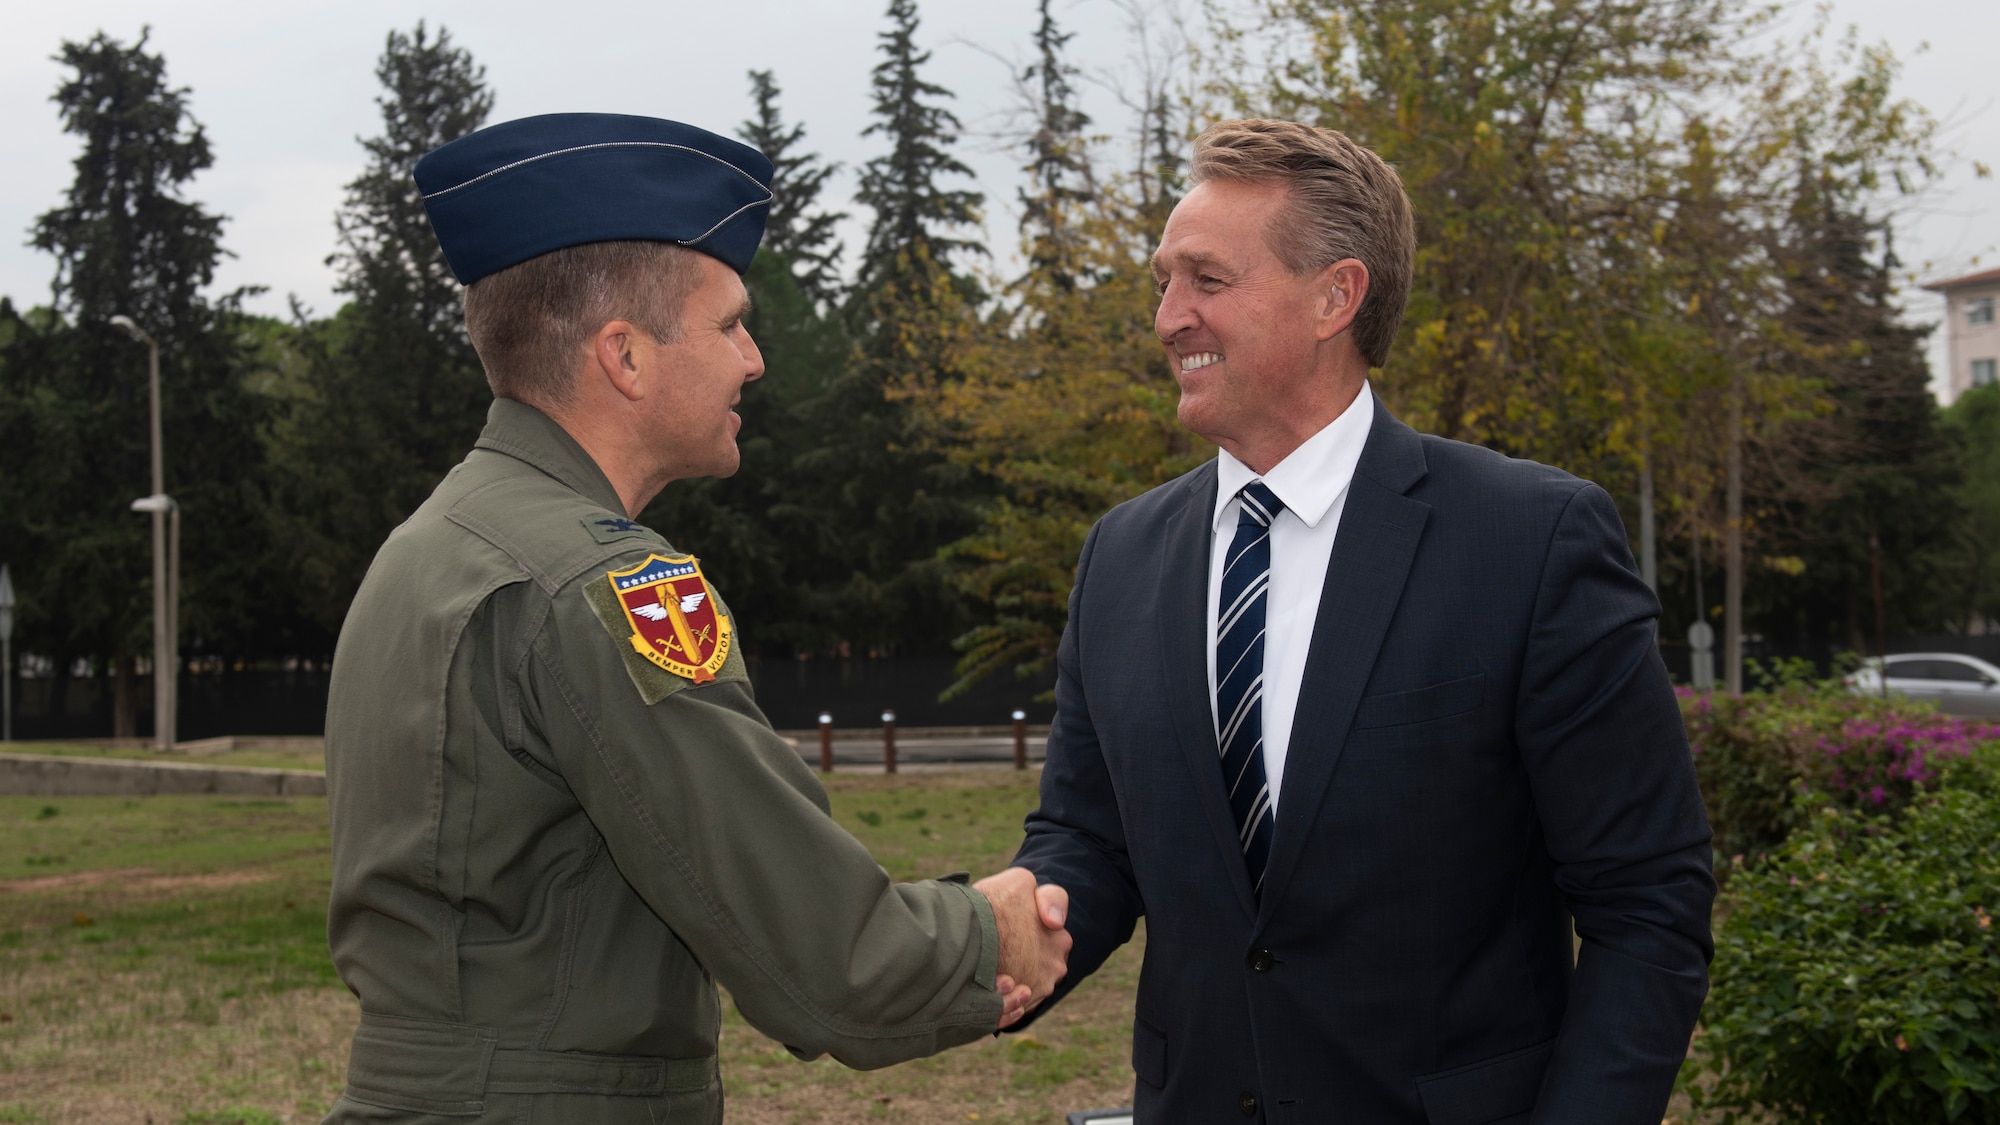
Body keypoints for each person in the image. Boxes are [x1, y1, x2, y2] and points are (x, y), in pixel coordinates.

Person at [320, 112, 1068, 1125]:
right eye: (727, 325)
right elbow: (829, 961)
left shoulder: (429, 546)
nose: (753, 360)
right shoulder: (605, 583)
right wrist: (990, 934)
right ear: (623, 357)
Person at [1009, 118, 1715, 1123]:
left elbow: (1647, 903)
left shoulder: (1529, 541)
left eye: (1205, 280)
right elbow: (1089, 843)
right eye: (1162, 282)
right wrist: (977, 946)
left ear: (1335, 295)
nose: (1169, 318)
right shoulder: (1119, 556)